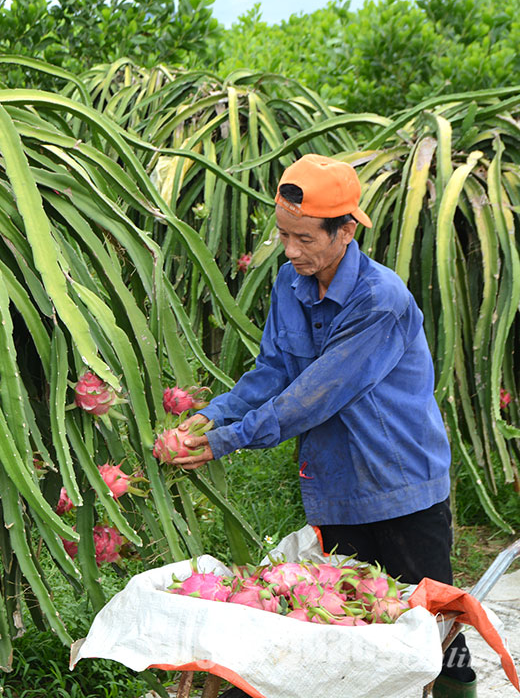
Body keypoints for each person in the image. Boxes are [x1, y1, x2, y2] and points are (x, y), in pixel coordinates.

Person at [170, 154, 476, 698]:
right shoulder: (291, 283)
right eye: (284, 236)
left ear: (346, 230)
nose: (291, 251)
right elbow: (274, 371)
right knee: (348, 629)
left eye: (305, 238)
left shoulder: (380, 300)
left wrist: (225, 442)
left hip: (400, 483)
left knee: (438, 633)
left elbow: (314, 398)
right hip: (336, 485)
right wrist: (214, 413)